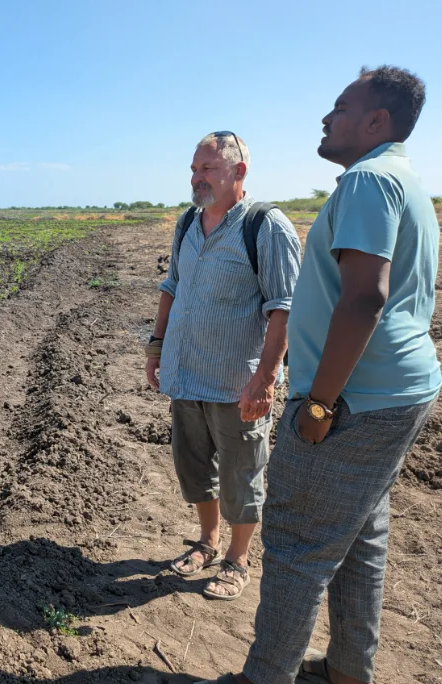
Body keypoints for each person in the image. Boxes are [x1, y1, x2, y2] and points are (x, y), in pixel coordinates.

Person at [199, 66, 441, 684]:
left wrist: (319, 404)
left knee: (297, 547)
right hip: (394, 394)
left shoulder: (367, 181)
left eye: (339, 107)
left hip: (354, 401)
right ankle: (347, 670)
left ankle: (266, 676)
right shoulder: (405, 179)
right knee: (360, 536)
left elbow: (365, 298)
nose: (326, 119)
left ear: (376, 121)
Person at [145, 132, 301, 600]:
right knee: (193, 468)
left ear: (239, 172)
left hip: (238, 382)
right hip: (186, 372)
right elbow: (171, 286)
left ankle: (237, 557)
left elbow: (284, 307)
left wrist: (265, 378)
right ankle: (208, 541)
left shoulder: (265, 226)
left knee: (242, 472)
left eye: (207, 169)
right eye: (194, 169)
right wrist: (156, 349)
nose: (197, 178)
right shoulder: (188, 223)